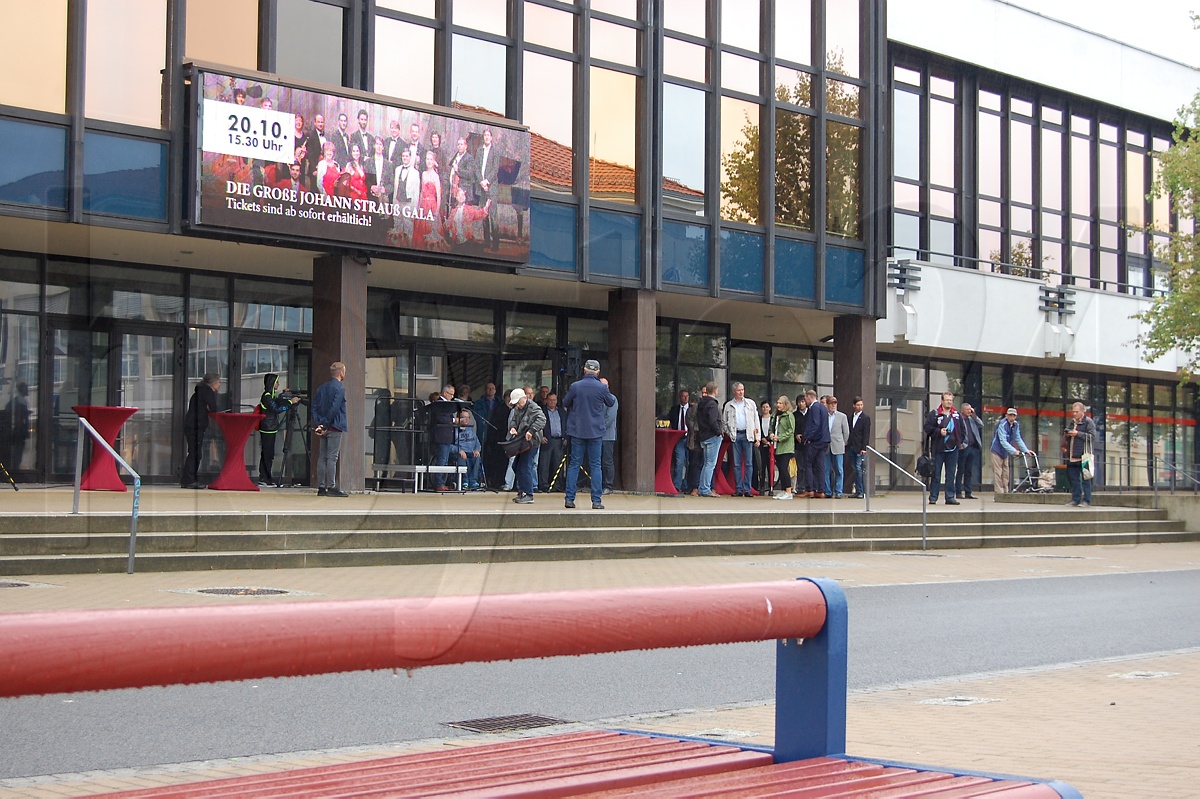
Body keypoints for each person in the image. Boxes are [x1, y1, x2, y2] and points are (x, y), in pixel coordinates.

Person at [561, 359, 615, 510]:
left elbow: (565, 402)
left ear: (584, 370)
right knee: (596, 465)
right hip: (595, 431)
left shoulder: (575, 386)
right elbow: (610, 402)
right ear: (598, 372)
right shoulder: (601, 387)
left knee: (574, 465)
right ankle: (596, 501)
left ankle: (570, 499)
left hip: (577, 430)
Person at [310, 362, 348, 497]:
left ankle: (321, 486)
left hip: (323, 426)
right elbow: (334, 408)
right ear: (341, 373)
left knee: (322, 456)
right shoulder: (340, 388)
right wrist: (325, 424)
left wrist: (319, 424)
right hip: (334, 426)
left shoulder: (322, 388)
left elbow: (314, 406)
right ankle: (331, 486)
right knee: (332, 457)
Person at [256, 373, 299, 487]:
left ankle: (266, 477)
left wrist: (284, 395)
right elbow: (276, 409)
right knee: (267, 454)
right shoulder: (267, 396)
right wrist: (290, 402)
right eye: (277, 382)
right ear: (272, 383)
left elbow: (277, 403)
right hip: (267, 428)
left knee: (269, 454)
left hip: (271, 428)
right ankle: (264, 477)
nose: (278, 384)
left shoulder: (271, 395)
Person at [180, 374, 221, 488]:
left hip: (192, 425)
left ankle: (187, 479)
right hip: (196, 426)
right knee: (195, 453)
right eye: (218, 382)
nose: (219, 384)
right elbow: (214, 408)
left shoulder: (198, 392)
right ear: (213, 383)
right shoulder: (208, 392)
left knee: (194, 452)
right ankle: (189, 480)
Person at [924, 391, 964, 505]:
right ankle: (933, 497)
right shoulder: (935, 413)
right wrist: (938, 432)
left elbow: (962, 430)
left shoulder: (956, 415)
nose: (949, 402)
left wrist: (959, 442)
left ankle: (950, 497)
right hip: (938, 449)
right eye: (947, 400)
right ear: (942, 401)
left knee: (951, 474)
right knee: (936, 474)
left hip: (953, 450)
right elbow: (927, 427)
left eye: (951, 400)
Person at [721, 382, 761, 497]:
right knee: (737, 464)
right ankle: (738, 489)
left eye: (742, 390)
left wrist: (757, 437)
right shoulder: (729, 405)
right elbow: (724, 422)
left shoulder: (750, 403)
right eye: (739, 390)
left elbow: (755, 421)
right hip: (736, 435)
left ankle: (747, 489)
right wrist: (730, 433)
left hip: (748, 435)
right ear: (734, 391)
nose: (741, 392)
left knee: (749, 464)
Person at [507, 388, 545, 504]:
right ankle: (523, 491)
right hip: (522, 440)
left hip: (532, 441)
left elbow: (542, 419)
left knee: (525, 467)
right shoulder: (519, 408)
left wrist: (531, 431)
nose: (517, 405)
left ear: (524, 398)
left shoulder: (533, 407)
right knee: (516, 466)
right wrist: (513, 427)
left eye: (519, 402)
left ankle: (529, 494)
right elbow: (514, 420)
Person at [990, 408, 1033, 496]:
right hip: (996, 450)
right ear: (1006, 415)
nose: (1012, 418)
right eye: (1010, 415)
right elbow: (1003, 441)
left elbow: (1018, 438)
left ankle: (1006, 492)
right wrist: (1014, 451)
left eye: (1014, 416)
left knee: (1006, 472)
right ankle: (999, 493)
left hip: (1005, 452)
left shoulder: (1016, 425)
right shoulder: (1002, 424)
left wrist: (1025, 450)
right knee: (998, 472)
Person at [1063, 402, 1096, 507]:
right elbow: (1067, 432)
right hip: (1072, 455)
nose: (1074, 414)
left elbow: (1092, 437)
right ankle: (1075, 499)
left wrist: (1078, 434)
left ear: (1082, 411)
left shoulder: (1088, 422)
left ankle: (1087, 500)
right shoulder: (1072, 422)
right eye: (1073, 411)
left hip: (1084, 455)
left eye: (1077, 412)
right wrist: (1068, 433)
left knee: (1086, 478)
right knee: (1074, 479)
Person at [800, 389, 830, 498]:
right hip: (824, 440)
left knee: (807, 463)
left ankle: (810, 489)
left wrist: (807, 437)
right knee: (820, 465)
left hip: (815, 441)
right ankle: (821, 490)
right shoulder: (823, 407)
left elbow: (815, 425)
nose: (805, 401)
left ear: (809, 397)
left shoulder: (814, 408)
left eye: (805, 399)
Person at [695, 381, 723, 497]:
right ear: (715, 390)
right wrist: (719, 432)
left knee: (706, 463)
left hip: (703, 435)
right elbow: (713, 420)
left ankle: (702, 487)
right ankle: (705, 489)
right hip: (712, 436)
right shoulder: (712, 404)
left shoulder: (701, 403)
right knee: (710, 464)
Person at [476, 128, 502, 250]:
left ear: (491, 138)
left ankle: (495, 243)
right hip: (482, 188)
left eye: (488, 135)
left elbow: (495, 169)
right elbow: (476, 168)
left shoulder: (496, 151)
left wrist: (487, 181)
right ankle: (486, 241)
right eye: (485, 135)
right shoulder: (479, 151)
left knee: (493, 216)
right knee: (484, 215)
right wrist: (481, 181)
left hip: (492, 188)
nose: (486, 137)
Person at [430, 384, 458, 491]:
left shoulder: (446, 404)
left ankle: (443, 482)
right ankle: (439, 483)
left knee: (445, 460)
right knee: (441, 460)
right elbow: (440, 418)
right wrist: (454, 421)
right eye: (451, 394)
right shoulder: (439, 404)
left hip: (446, 437)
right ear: (445, 393)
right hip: (441, 436)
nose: (452, 397)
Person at [413, 149, 442, 245]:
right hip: (423, 205)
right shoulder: (424, 174)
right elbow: (422, 192)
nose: (429, 161)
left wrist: (437, 211)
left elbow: (439, 195)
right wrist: (418, 207)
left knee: (430, 231)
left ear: (434, 162)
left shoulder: (436, 176)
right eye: (427, 159)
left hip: (432, 206)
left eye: (431, 159)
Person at [664, 389, 691, 492]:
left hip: (690, 439)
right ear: (680, 397)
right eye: (683, 396)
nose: (685, 398)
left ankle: (687, 485)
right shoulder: (674, 409)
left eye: (687, 396)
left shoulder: (692, 409)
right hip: (679, 439)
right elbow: (669, 421)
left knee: (689, 463)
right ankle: (677, 486)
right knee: (679, 462)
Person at [955, 402, 984, 499]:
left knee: (969, 471)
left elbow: (981, 425)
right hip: (964, 447)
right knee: (961, 470)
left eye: (970, 409)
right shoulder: (959, 419)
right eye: (967, 409)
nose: (969, 411)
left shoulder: (972, 419)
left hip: (972, 447)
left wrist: (974, 415)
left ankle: (968, 492)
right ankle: (958, 492)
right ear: (962, 410)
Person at [539, 392, 567, 492]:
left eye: (554, 400)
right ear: (546, 400)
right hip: (547, 440)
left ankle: (557, 485)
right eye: (550, 400)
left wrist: (566, 437)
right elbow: (538, 425)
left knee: (558, 464)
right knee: (544, 465)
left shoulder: (562, 412)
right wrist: (540, 436)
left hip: (559, 441)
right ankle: (544, 485)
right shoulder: (542, 412)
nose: (552, 402)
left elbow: (565, 425)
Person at [770, 396, 796, 500]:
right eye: (777, 403)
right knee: (780, 468)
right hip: (777, 446)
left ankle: (789, 491)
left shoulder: (789, 415)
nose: (778, 405)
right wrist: (771, 434)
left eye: (781, 403)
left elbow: (791, 430)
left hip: (786, 446)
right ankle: (783, 490)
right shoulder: (775, 415)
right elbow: (771, 428)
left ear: (785, 404)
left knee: (784, 468)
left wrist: (780, 438)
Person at [846, 397, 872, 499]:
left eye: (861, 405)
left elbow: (866, 434)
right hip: (851, 446)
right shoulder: (850, 417)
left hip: (859, 447)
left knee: (858, 468)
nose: (860, 407)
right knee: (855, 469)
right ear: (854, 405)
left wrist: (864, 448)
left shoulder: (865, 418)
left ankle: (861, 491)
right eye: (858, 405)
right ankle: (857, 491)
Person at [1, 381, 31, 470]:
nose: (27, 390)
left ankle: (15, 468)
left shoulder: (20, 402)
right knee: (16, 453)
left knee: (18, 453)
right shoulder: (16, 403)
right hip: (16, 432)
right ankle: (14, 469)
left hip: (19, 432)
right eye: (26, 388)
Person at [825, 396, 850, 499]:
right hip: (826, 446)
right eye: (831, 403)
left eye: (835, 403)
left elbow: (846, 432)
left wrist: (843, 442)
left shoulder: (842, 416)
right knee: (826, 470)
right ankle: (828, 491)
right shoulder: (824, 416)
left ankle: (839, 491)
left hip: (838, 445)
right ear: (827, 404)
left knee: (839, 469)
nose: (833, 405)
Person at [455, 409, 482, 490]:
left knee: (477, 457)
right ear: (458, 418)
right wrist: (459, 450)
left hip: (471, 452)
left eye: (468, 417)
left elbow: (477, 443)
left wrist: (477, 449)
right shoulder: (454, 430)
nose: (466, 419)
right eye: (463, 417)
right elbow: (450, 445)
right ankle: (464, 481)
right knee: (461, 457)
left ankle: (473, 481)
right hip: (460, 452)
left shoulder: (471, 429)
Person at [600, 377, 618, 494]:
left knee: (607, 461)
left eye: (605, 386)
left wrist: (598, 429)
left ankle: (609, 485)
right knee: (596, 461)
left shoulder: (612, 399)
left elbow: (610, 418)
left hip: (607, 436)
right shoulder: (596, 398)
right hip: (596, 435)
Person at [756, 400, 774, 494]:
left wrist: (769, 440)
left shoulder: (773, 419)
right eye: (763, 407)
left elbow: (774, 430)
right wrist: (762, 438)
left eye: (767, 407)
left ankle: (771, 487)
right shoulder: (759, 419)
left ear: (770, 408)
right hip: (761, 445)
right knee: (762, 467)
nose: (765, 409)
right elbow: (757, 429)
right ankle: (762, 487)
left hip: (771, 445)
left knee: (770, 467)